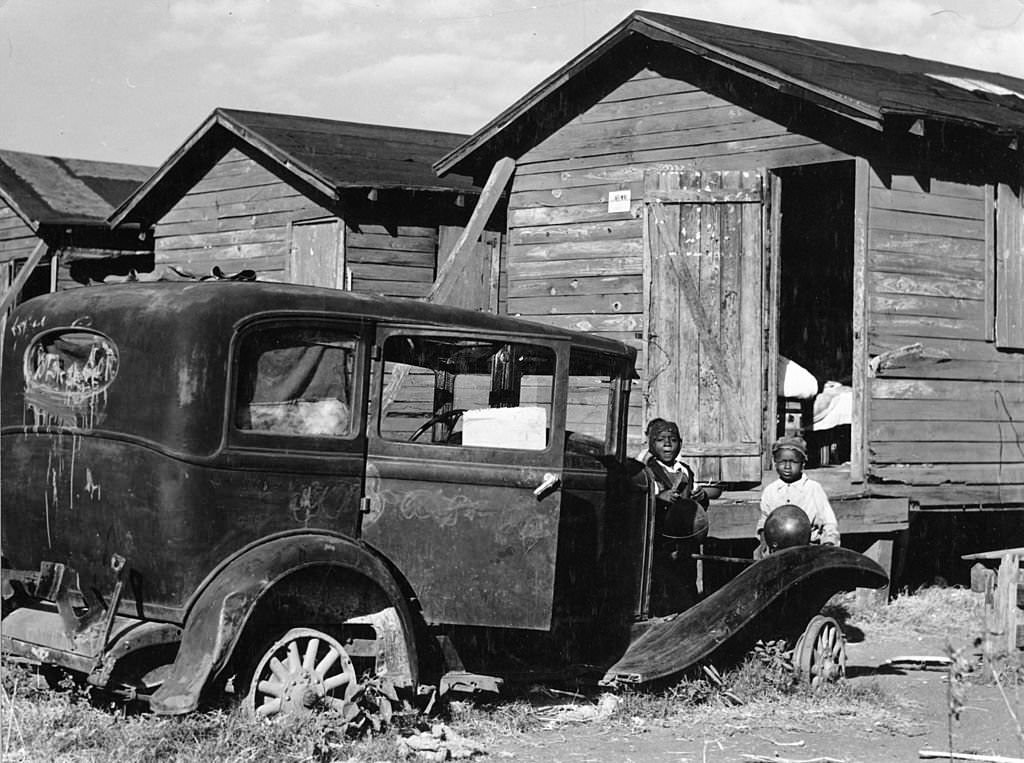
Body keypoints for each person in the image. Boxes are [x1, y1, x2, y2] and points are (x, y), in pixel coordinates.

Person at [638, 419, 710, 614]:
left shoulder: (685, 470)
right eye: (661, 440)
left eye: (673, 440)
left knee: (686, 582)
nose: (668, 444)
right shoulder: (647, 471)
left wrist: (701, 496)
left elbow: (698, 504)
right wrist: (658, 498)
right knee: (661, 583)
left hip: (686, 540)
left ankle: (686, 617)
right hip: (661, 541)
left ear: (681, 443)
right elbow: (639, 502)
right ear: (651, 444)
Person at [755, 435, 840, 558]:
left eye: (793, 462)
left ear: (803, 464)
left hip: (808, 548)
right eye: (782, 461)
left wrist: (828, 543)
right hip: (778, 551)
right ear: (775, 463)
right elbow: (765, 520)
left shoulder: (813, 489)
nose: (787, 466)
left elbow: (829, 522)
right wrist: (763, 541)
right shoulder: (771, 491)